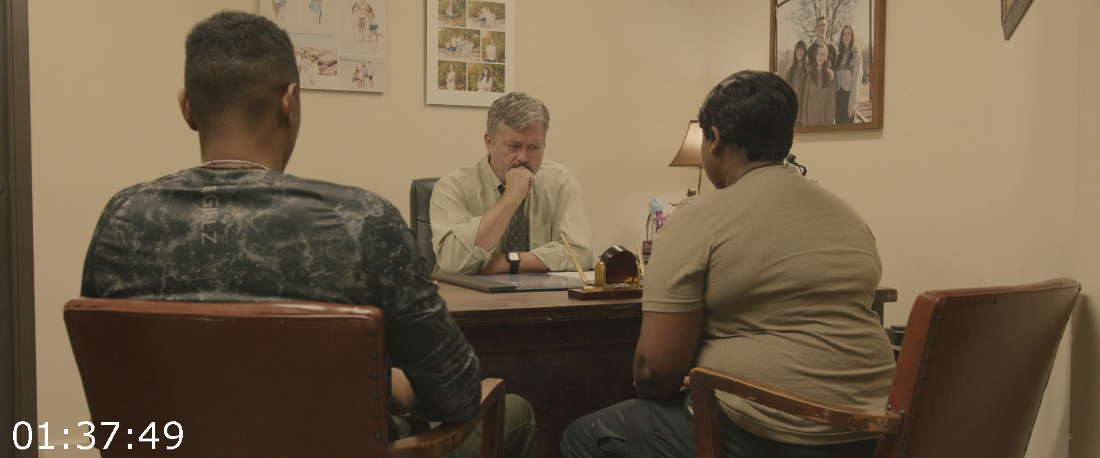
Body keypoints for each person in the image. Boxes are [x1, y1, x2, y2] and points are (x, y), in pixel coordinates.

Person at [81, 11, 536, 458]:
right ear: (290, 102)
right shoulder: (364, 221)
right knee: (514, 412)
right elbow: (456, 394)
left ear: (187, 108)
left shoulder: (121, 224)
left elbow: (119, 390)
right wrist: (391, 384)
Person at [560, 70, 894, 458]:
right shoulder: (848, 216)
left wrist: (694, 379)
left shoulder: (700, 217)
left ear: (714, 139)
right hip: (875, 432)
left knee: (583, 437)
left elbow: (655, 371)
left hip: (772, 434)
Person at [431, 92, 594, 275]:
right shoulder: (452, 187)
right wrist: (511, 197)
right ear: (489, 142)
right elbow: (453, 262)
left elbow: (581, 254)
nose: (523, 157)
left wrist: (507, 262)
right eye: (513, 146)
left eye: (534, 147)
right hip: (468, 294)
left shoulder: (560, 181)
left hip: (542, 292)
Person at [833, 25, 862, 124]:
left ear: (852, 36)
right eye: (844, 34)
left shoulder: (856, 55)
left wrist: (851, 106)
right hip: (838, 100)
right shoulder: (839, 56)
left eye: (848, 34)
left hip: (848, 99)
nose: (846, 36)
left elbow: (856, 82)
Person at [800, 45, 836, 125]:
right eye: (818, 54)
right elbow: (805, 101)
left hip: (825, 122)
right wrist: (805, 122)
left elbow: (832, 102)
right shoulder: (810, 76)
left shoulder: (830, 75)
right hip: (811, 121)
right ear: (815, 56)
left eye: (823, 54)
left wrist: (829, 124)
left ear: (826, 56)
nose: (820, 56)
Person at [785, 40, 808, 126]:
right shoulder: (791, 71)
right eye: (797, 50)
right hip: (793, 112)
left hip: (805, 112)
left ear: (805, 51)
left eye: (801, 49)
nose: (799, 52)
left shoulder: (808, 70)